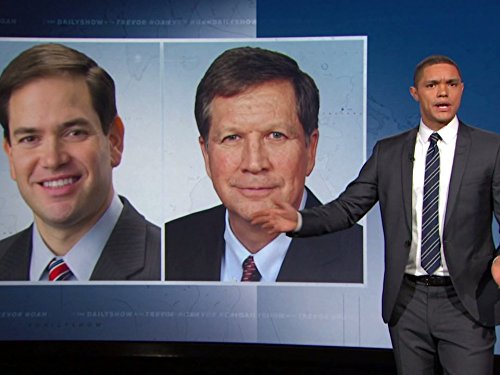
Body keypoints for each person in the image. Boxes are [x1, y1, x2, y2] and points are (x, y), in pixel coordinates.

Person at [252, 55, 500, 374]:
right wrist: (300, 220)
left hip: (467, 301)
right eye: (432, 85)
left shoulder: (489, 149)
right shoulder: (389, 152)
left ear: (461, 90)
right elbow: (348, 207)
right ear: (415, 93)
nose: (443, 93)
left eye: (451, 84)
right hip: (406, 302)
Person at [164, 46, 363, 283]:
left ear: (311, 149)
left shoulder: (366, 259)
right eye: (232, 138)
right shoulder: (166, 246)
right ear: (206, 154)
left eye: (276, 135)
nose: (255, 163)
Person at [0, 43, 160, 281]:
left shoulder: (169, 264)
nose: (53, 160)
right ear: (10, 155)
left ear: (114, 141)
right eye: (30, 138)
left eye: (74, 133)